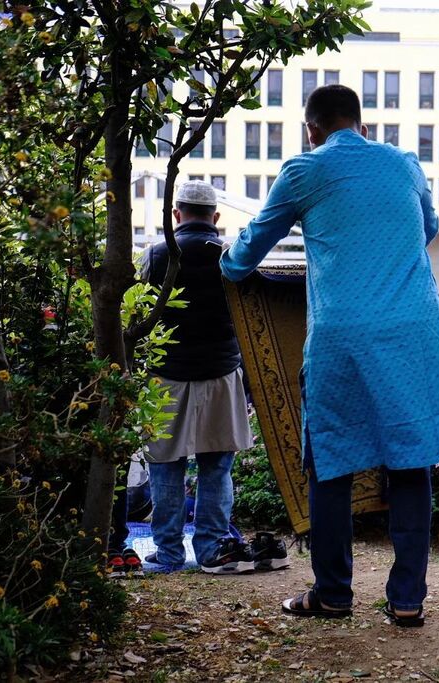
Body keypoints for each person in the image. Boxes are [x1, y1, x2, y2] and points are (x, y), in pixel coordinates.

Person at [220, 84, 439, 627]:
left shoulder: (303, 171)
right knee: (410, 461)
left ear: (312, 129)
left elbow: (245, 257)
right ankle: (407, 599)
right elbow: (428, 227)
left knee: (330, 461)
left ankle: (333, 593)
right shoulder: (405, 165)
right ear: (361, 124)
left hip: (342, 334)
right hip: (413, 330)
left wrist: (228, 259)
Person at [140, 180, 261, 575]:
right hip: (221, 373)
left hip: (166, 377)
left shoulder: (155, 256)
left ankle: (169, 553)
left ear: (176, 215)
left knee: (164, 465)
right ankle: (210, 549)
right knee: (216, 466)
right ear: (216, 217)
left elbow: (139, 318)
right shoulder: (231, 257)